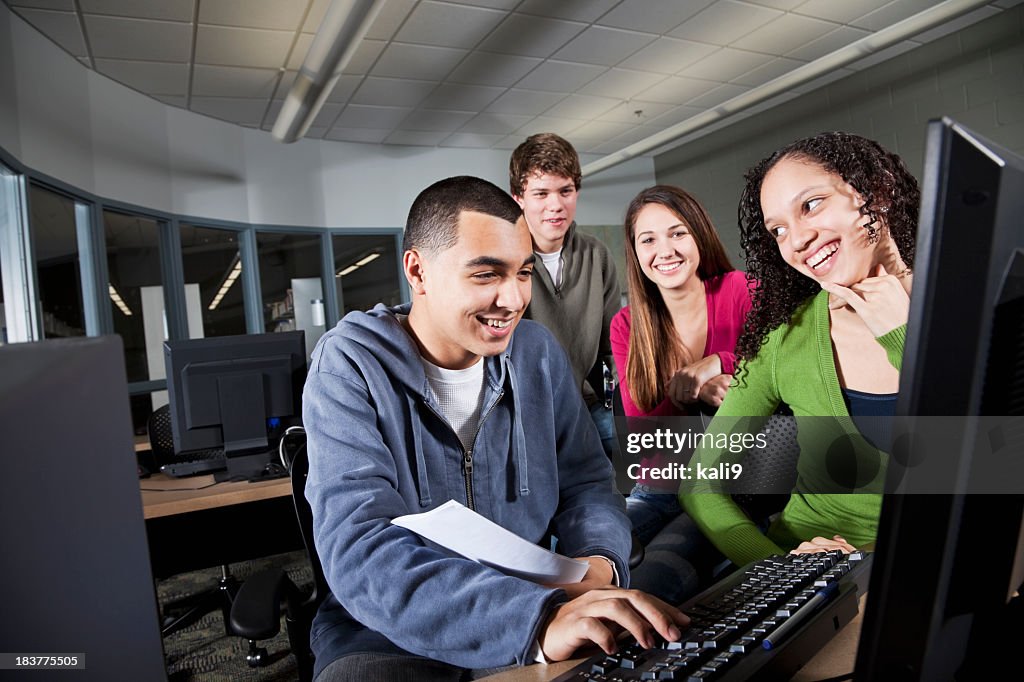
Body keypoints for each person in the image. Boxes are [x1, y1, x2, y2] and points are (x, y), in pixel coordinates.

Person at [303, 176, 687, 682]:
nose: (513, 298)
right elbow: (359, 545)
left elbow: (587, 483)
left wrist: (598, 560)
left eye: (523, 272)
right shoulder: (349, 364)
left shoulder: (537, 353)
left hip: (539, 596)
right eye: (486, 275)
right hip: (387, 628)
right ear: (418, 271)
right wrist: (534, 620)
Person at [680, 132, 920, 566]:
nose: (797, 240)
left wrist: (900, 335)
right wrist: (781, 570)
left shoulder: (974, 309)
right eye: (778, 230)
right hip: (814, 580)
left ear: (877, 191)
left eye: (811, 204)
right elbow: (700, 482)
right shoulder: (785, 340)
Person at [610, 185, 752, 603]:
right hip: (659, 485)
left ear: (699, 236)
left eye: (677, 233)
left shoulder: (739, 290)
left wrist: (718, 362)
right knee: (583, 563)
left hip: (731, 484)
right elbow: (643, 432)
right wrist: (692, 393)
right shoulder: (626, 325)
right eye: (648, 240)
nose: (664, 250)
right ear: (636, 253)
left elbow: (777, 366)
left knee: (651, 582)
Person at [509, 133, 620, 457]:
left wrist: (618, 405)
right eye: (541, 193)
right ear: (519, 197)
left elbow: (610, 347)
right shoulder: (506, 257)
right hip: (527, 413)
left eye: (565, 191)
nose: (555, 205)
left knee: (652, 469)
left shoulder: (596, 255)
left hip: (588, 405)